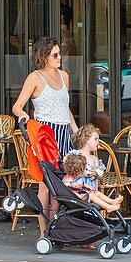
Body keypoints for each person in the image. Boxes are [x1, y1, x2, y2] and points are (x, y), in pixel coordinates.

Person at [12, 36, 78, 238]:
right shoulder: (35, 78)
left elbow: (64, 109)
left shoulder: (64, 76)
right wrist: (23, 115)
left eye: (59, 53)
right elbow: (17, 106)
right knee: (45, 186)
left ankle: (55, 228)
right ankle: (43, 232)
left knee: (61, 184)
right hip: (45, 135)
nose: (59, 57)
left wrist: (76, 131)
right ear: (44, 56)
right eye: (55, 54)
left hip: (63, 132)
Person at [69, 124, 107, 192]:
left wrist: (96, 173)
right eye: (95, 139)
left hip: (92, 190)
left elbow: (100, 174)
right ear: (85, 139)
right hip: (77, 188)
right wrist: (80, 172)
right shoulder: (74, 154)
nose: (98, 142)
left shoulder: (94, 159)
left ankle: (111, 202)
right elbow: (66, 167)